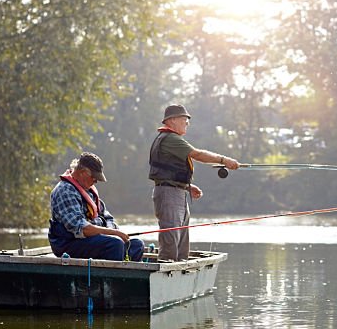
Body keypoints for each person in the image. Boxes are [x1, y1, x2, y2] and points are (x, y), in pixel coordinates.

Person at [149, 104, 239, 261]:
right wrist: (224, 160)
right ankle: (166, 276)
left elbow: (170, 171)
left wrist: (187, 186)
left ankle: (179, 275)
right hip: (169, 195)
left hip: (177, 192)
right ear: (172, 120)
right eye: (184, 119)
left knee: (182, 242)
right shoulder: (170, 139)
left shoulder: (172, 139)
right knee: (171, 240)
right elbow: (197, 154)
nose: (187, 123)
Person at [49, 152, 145, 261]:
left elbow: (108, 218)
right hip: (68, 244)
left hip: (91, 240)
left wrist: (111, 230)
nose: (95, 181)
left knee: (137, 245)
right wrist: (114, 233)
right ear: (82, 172)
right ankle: (111, 277)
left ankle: (126, 276)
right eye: (94, 178)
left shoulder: (88, 190)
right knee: (115, 244)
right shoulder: (65, 191)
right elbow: (82, 229)